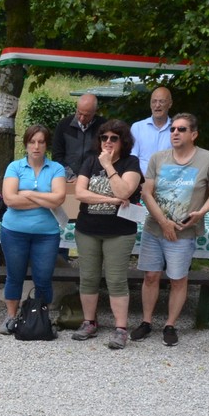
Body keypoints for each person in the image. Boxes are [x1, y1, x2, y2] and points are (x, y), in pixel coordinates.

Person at [135, 112, 209, 347]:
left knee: (178, 279)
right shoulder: (158, 158)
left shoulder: (207, 159)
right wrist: (164, 222)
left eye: (181, 129)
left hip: (183, 232)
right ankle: (146, 322)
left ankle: (170, 325)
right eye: (173, 129)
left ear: (194, 134)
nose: (175, 132)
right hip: (155, 229)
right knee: (150, 276)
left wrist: (201, 212)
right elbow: (146, 193)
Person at [71, 119, 141, 349]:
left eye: (114, 138)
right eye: (104, 137)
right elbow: (80, 193)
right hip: (87, 229)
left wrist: (109, 166)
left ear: (123, 141)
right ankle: (89, 322)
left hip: (119, 232)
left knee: (116, 280)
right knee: (88, 277)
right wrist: (111, 200)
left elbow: (125, 191)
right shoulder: (90, 160)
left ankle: (120, 329)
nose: (108, 142)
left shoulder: (131, 163)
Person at [0, 125, 67, 334]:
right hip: (14, 231)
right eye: (32, 142)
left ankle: (41, 316)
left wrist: (27, 193)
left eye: (41, 142)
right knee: (14, 275)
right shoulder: (15, 167)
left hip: (46, 234)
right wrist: (45, 200)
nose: (36, 146)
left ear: (46, 145)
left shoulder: (56, 168)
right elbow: (10, 199)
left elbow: (59, 198)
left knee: (44, 277)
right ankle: (11, 316)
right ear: (26, 144)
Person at [51, 93, 103, 179]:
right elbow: (57, 156)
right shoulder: (63, 125)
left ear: (95, 112)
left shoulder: (103, 127)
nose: (82, 118)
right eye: (79, 113)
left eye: (86, 115)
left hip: (94, 178)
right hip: (67, 177)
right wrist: (71, 176)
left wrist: (86, 178)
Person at [130, 86, 173, 167]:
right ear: (150, 104)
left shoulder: (176, 129)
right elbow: (132, 157)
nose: (157, 105)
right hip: (141, 174)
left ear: (170, 104)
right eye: (154, 101)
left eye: (162, 101)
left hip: (168, 174)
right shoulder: (137, 127)